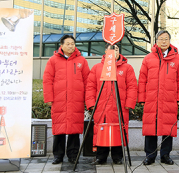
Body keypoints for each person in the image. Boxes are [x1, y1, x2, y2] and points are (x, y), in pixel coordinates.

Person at [138, 30, 179, 165]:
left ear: (170, 41)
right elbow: (142, 79)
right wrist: (141, 99)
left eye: (166, 39)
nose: (163, 41)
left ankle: (165, 155)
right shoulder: (148, 58)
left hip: (169, 99)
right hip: (152, 99)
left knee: (168, 128)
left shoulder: (178, 59)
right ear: (156, 41)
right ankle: (150, 156)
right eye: (161, 39)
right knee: (150, 128)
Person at [86, 44, 137, 165]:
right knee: (101, 129)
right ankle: (100, 157)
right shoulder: (97, 68)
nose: (114, 52)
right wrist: (91, 104)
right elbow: (90, 87)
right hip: (101, 106)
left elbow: (132, 87)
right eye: (111, 49)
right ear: (105, 51)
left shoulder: (127, 68)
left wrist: (129, 103)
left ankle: (117, 157)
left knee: (118, 129)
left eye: (117, 49)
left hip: (120, 106)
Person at [43, 35, 90, 164]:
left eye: (72, 43)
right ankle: (58, 155)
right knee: (59, 128)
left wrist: (88, 100)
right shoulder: (53, 60)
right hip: (59, 100)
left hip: (76, 100)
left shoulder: (81, 60)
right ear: (61, 45)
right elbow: (47, 80)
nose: (71, 46)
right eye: (68, 43)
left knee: (74, 129)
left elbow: (88, 81)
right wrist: (48, 98)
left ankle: (73, 155)